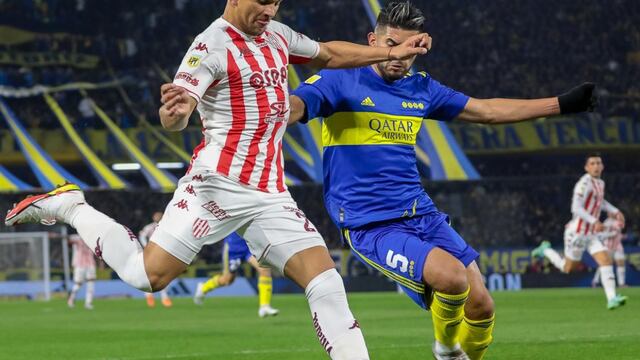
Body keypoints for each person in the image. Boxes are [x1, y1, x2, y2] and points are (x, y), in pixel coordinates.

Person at [5, 1, 432, 358]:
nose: (270, 9)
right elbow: (178, 110)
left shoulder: (277, 34)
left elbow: (330, 54)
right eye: (263, 0)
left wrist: (389, 54)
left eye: (276, 1)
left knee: (326, 282)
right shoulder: (209, 46)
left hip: (269, 192)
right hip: (216, 185)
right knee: (145, 276)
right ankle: (71, 206)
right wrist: (174, 114)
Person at [289, 2, 599, 359]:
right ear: (372, 40)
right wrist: (272, 115)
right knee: (452, 278)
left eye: (408, 50)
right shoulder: (339, 79)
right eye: (391, 45)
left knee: (481, 305)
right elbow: (297, 104)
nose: (398, 57)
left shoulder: (420, 89)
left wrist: (563, 104)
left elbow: (487, 111)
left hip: (421, 213)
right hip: (370, 223)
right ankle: (446, 351)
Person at [532, 154, 627, 309]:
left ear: (602, 166)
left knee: (605, 260)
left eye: (598, 163)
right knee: (568, 268)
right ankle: (546, 250)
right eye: (592, 163)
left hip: (591, 234)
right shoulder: (583, 184)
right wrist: (594, 221)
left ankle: (612, 299)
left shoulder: (600, 183)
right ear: (586, 167)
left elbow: (599, 202)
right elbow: (576, 208)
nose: (596, 166)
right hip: (577, 233)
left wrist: (615, 211)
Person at [194, 232, 279, 318]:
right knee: (227, 280)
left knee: (264, 269)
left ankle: (264, 306)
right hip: (233, 249)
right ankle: (204, 287)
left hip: (248, 247)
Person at [139, 212, 173, 308]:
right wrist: (146, 246)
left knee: (163, 275)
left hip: (163, 253)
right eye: (156, 216)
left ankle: (164, 297)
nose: (157, 218)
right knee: (149, 275)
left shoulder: (167, 227)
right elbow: (142, 235)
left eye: (159, 216)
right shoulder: (150, 227)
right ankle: (149, 296)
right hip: (151, 253)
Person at [591, 215, 627, 288]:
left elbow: (619, 232)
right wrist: (611, 234)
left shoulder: (619, 221)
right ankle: (596, 281)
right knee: (604, 264)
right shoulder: (607, 222)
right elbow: (601, 235)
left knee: (621, 263)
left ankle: (621, 283)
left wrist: (621, 236)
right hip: (608, 246)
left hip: (618, 246)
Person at [67, 233, 96, 310]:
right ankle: (71, 299)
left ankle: (88, 303)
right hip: (80, 264)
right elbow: (69, 242)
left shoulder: (92, 238)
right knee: (78, 284)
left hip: (90, 263)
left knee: (91, 283)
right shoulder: (77, 237)